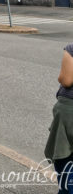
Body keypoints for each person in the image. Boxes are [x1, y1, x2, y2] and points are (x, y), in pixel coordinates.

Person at [45, 42, 73, 193]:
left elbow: (66, 79)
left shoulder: (72, 48)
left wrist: (61, 77)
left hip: (69, 110)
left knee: (64, 158)